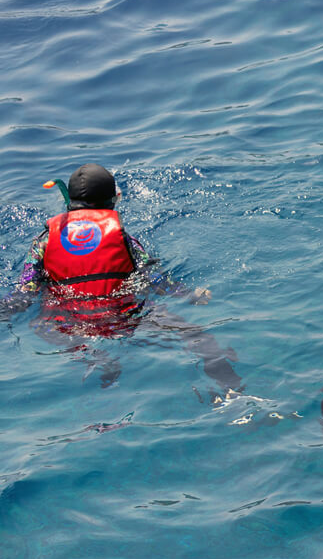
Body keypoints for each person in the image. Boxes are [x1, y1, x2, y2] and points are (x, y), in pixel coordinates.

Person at [0, 163, 240, 390]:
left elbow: (26, 291)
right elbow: (154, 279)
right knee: (199, 338)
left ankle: (97, 360)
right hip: (124, 314)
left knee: (44, 326)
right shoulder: (124, 239)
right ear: (110, 202)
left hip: (68, 323)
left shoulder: (44, 241)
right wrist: (190, 295)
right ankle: (232, 391)